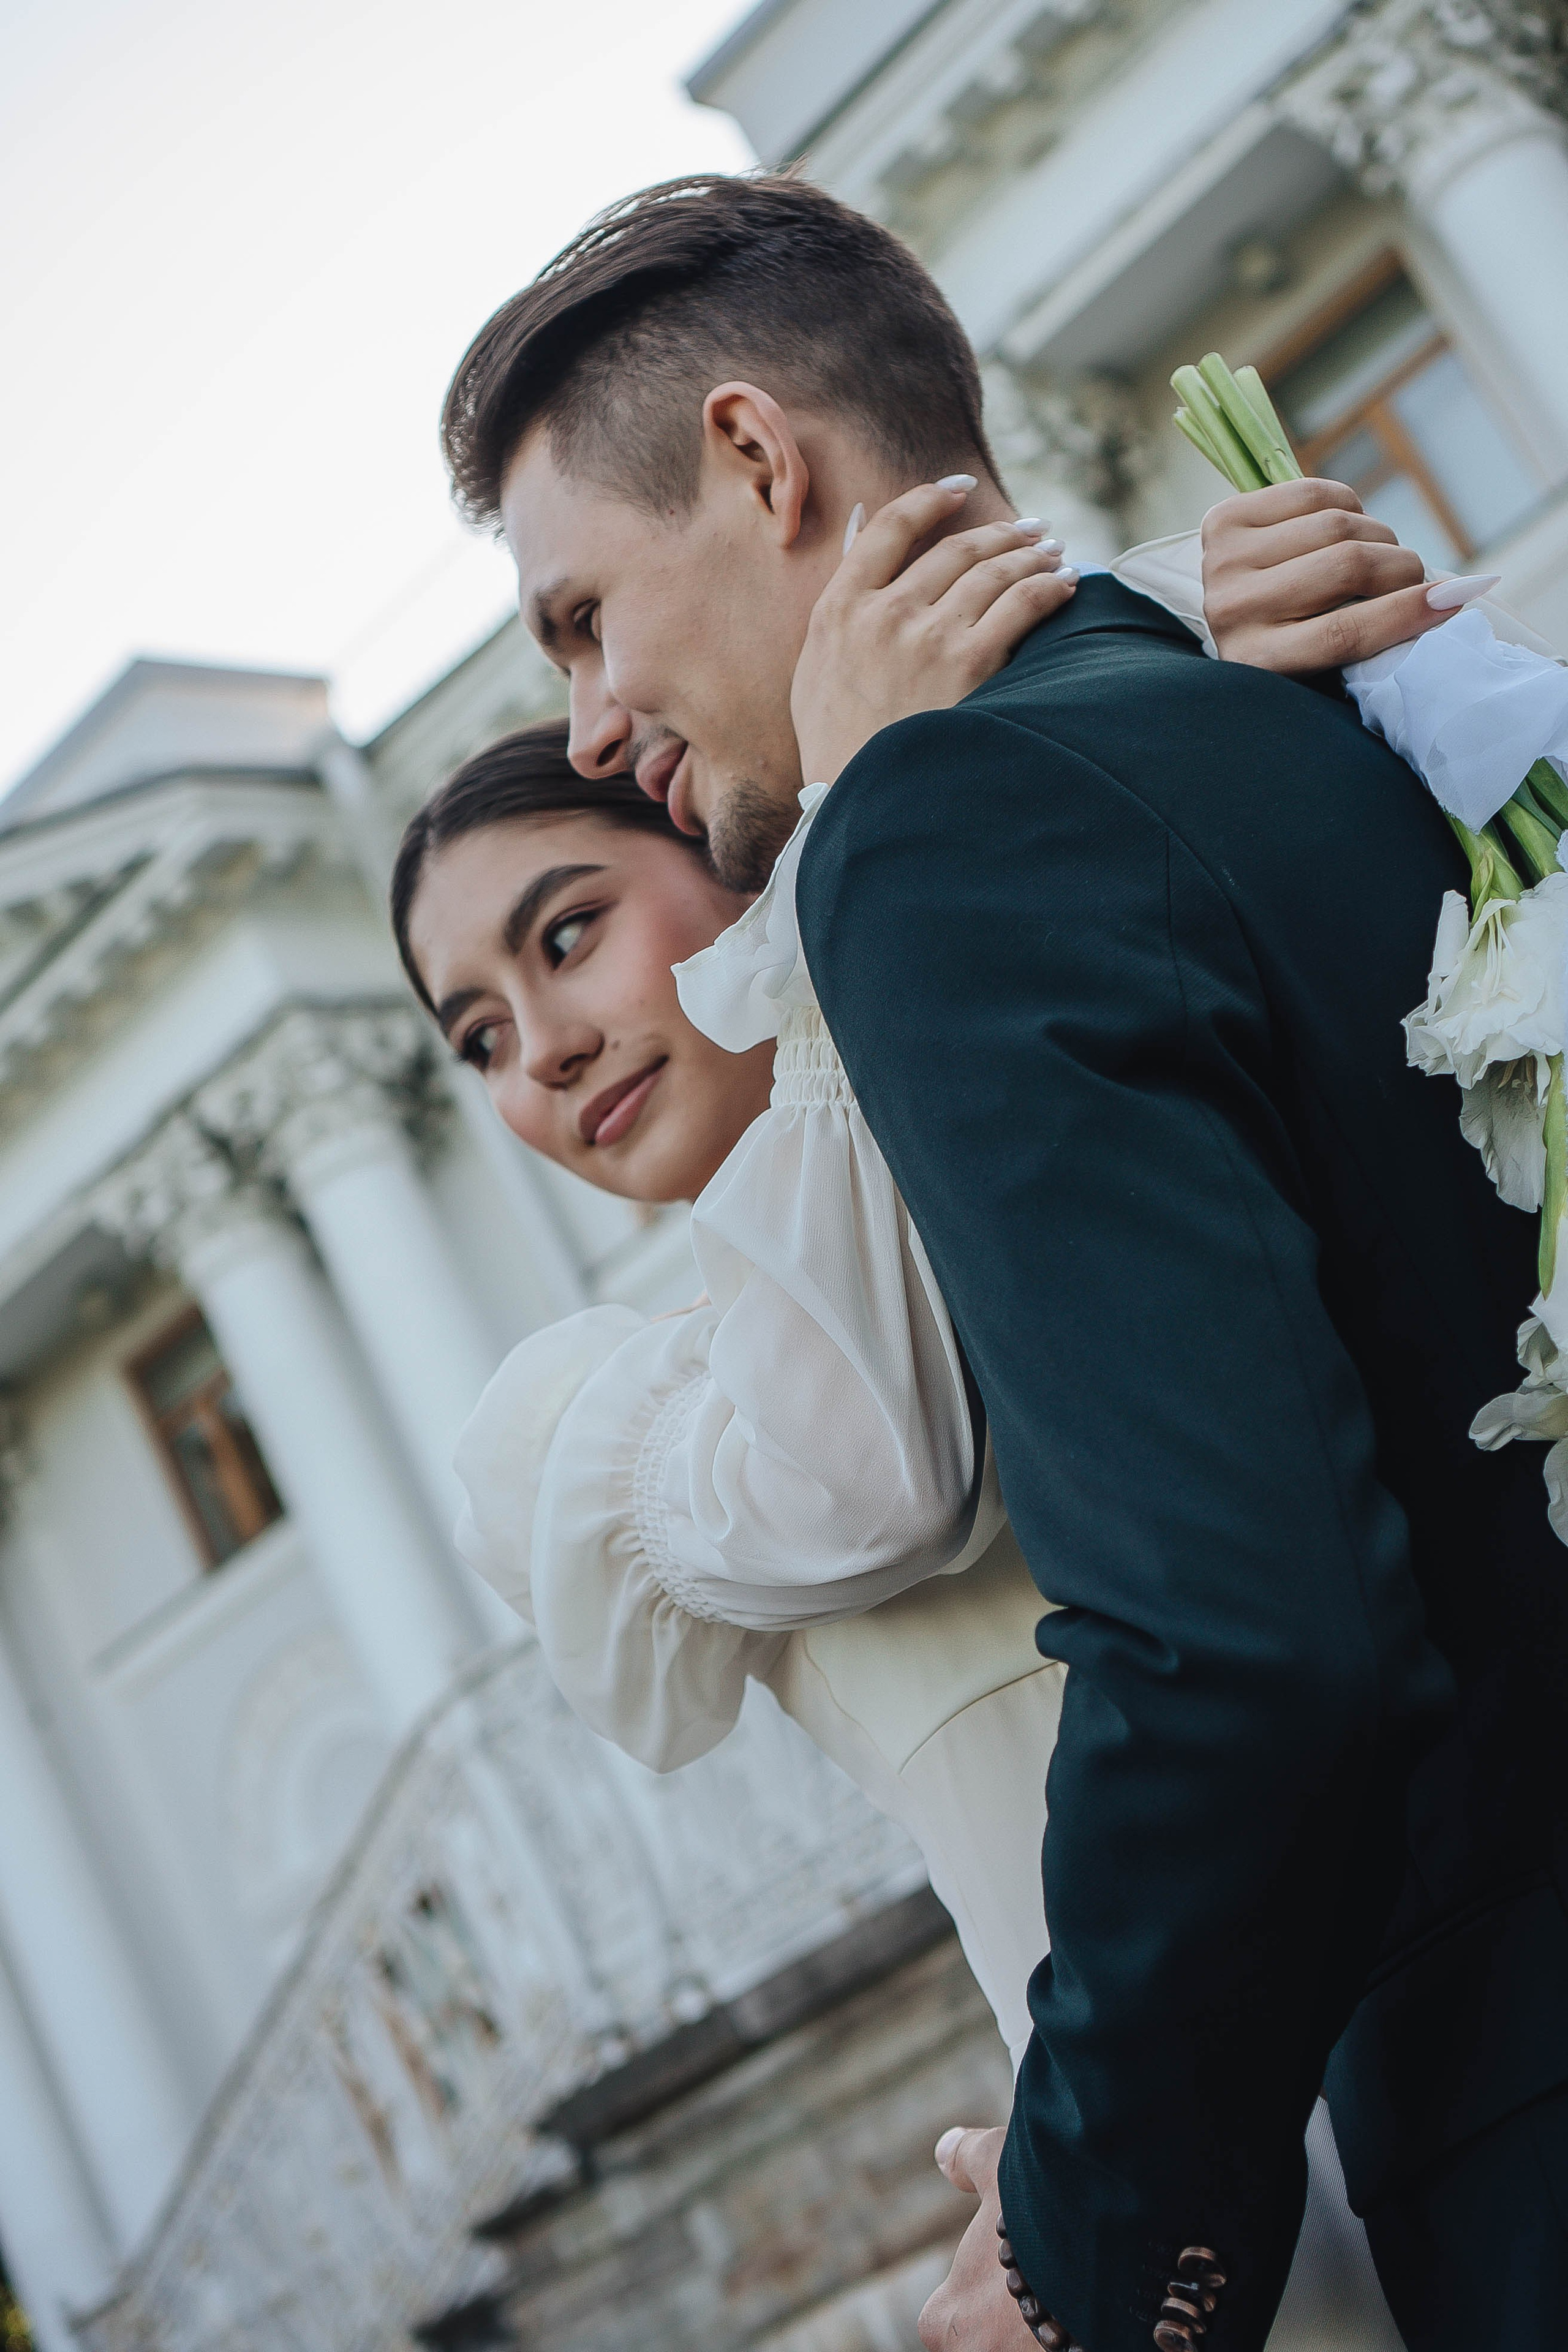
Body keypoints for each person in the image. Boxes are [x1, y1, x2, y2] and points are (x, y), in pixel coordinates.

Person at [433, 172, 1568, 2351]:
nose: (589, 718)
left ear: (762, 461)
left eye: (584, 619)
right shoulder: (1292, 716)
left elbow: (1256, 1654)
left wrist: (1080, 2259)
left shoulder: (944, 840)